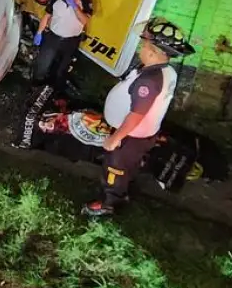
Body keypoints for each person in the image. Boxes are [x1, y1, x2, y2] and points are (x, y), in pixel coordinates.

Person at [83, 18, 194, 218]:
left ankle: (109, 202)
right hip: (142, 136)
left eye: (144, 45)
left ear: (152, 52)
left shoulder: (150, 80)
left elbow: (136, 115)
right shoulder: (166, 71)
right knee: (128, 165)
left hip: (130, 136)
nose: (140, 49)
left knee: (115, 166)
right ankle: (122, 189)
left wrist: (116, 138)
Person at [32, 0, 92, 86]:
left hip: (71, 40)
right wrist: (39, 33)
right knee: (43, 63)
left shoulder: (86, 1)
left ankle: (56, 85)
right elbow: (46, 16)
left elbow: (85, 21)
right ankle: (37, 82)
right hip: (53, 37)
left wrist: (75, 7)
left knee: (62, 67)